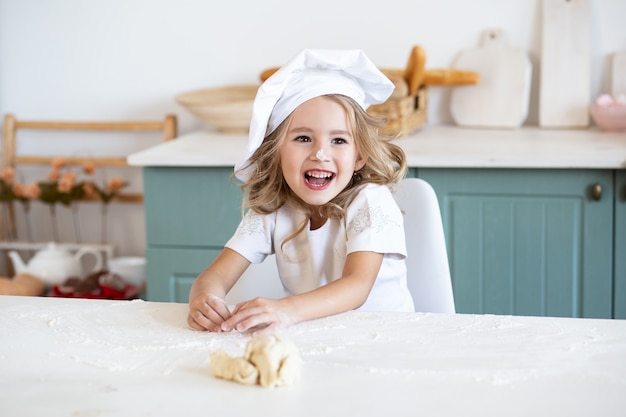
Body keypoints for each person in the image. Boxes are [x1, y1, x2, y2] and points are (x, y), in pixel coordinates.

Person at [187, 49, 414, 336]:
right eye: (303, 138)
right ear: (277, 151)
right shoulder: (274, 208)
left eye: (339, 140)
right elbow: (216, 274)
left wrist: (286, 309)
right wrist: (204, 300)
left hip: (384, 341)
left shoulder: (369, 201)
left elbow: (357, 287)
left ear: (360, 156)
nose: (321, 153)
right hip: (317, 339)